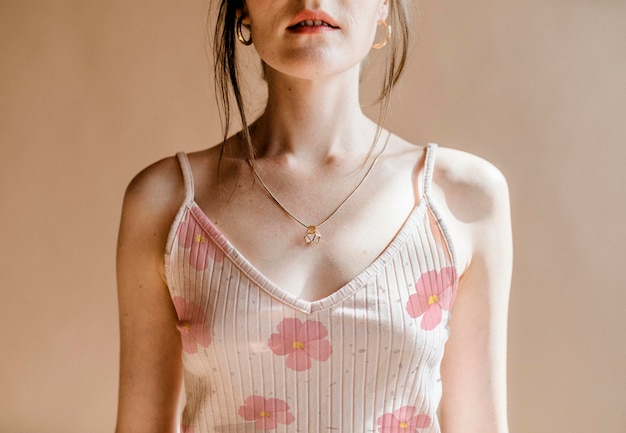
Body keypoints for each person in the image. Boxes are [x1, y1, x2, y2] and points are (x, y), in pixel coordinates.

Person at [114, 0, 512, 432]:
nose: (311, 1)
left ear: (383, 6)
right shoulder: (166, 204)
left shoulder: (460, 198)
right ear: (242, 10)